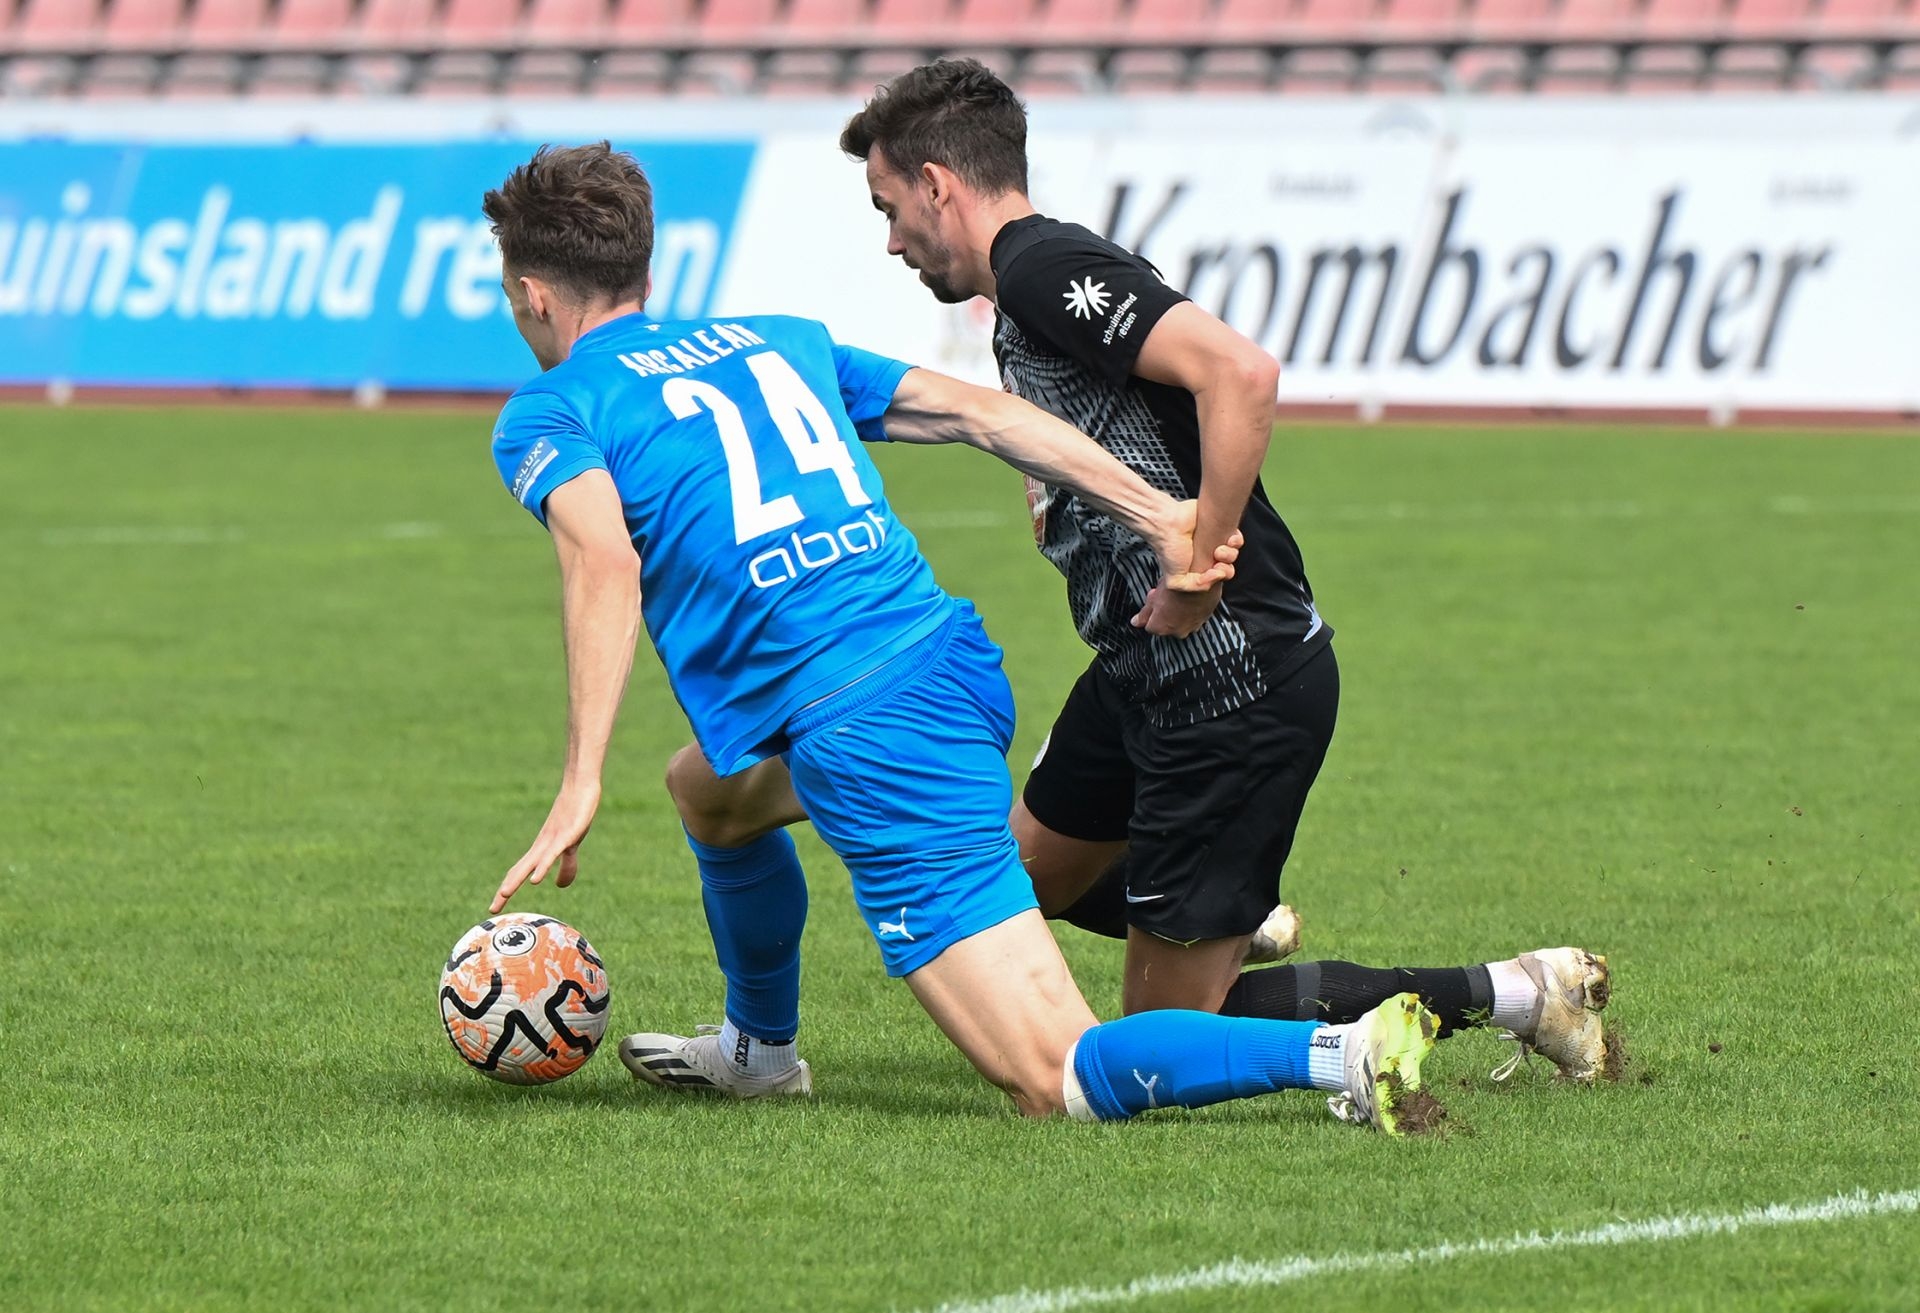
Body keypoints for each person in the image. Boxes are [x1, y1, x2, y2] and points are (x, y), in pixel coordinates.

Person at [658, 60, 1615, 1088]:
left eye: (891, 209)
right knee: (1017, 882)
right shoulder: (1024, 289)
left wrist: (1200, 559)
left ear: (938, 185)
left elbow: (1240, 371)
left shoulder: (1040, 266)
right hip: (1138, 673)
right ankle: (1231, 914)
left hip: (1230, 683)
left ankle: (1520, 990)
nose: (893, 241)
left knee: (1156, 1039)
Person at [480, 140, 1449, 1132]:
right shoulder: (771, 342)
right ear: (646, 275)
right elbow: (983, 415)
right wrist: (1160, 513)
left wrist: (581, 778)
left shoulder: (551, 410)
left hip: (870, 729)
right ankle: (758, 1053)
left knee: (1056, 1076)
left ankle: (1345, 1049)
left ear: (532, 295)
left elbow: (605, 562)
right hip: (948, 663)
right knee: (710, 793)